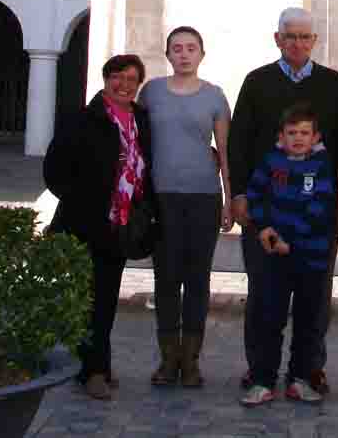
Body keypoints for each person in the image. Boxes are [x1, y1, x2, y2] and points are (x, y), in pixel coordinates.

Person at [229, 7, 338, 393]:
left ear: (314, 41)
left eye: (305, 37)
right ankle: (260, 370)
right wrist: (237, 194)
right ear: (277, 39)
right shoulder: (257, 82)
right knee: (264, 298)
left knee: (314, 300)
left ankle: (307, 370)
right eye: (291, 37)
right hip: (266, 212)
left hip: (316, 217)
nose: (298, 44)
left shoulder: (333, 84)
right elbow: (238, 143)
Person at [44, 53, 152, 402]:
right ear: (106, 79)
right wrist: (80, 200)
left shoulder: (142, 120)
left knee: (105, 297)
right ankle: (93, 370)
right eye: (117, 77)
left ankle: (96, 366)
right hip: (85, 221)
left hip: (119, 223)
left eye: (131, 79)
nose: (123, 85)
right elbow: (55, 168)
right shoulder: (83, 118)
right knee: (87, 298)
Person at [142, 25, 233, 388]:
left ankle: (191, 360)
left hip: (203, 198)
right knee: (166, 279)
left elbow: (224, 153)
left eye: (190, 48)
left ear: (201, 54)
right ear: (167, 54)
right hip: (162, 198)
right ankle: (168, 358)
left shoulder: (214, 97)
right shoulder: (151, 93)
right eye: (176, 48)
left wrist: (229, 199)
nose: (183, 54)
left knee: (197, 280)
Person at [240, 103, 338, 407]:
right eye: (292, 132)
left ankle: (300, 379)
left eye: (304, 133)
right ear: (281, 136)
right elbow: (256, 198)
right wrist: (265, 229)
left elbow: (319, 209)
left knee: (309, 322)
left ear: (315, 136)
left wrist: (290, 241)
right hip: (273, 257)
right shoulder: (271, 162)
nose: (298, 138)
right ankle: (262, 380)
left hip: (310, 257)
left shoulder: (323, 166)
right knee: (269, 319)